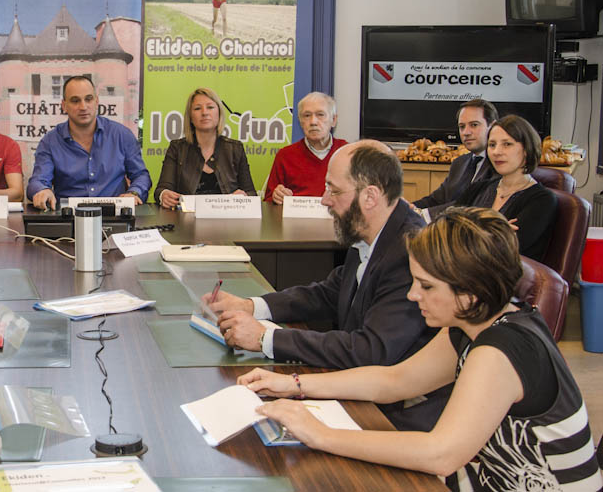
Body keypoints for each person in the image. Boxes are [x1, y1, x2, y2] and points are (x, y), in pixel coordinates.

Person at [238, 207, 602, 491]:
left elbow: (440, 454)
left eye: (426, 287)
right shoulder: (474, 321)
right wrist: (295, 384)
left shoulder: (501, 350)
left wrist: (320, 434)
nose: (413, 295)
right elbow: (396, 380)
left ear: (469, 291)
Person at [207, 141, 445, 431]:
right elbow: (330, 292)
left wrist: (265, 339)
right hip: (361, 392)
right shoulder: (370, 230)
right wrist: (253, 306)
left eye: (334, 190)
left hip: (393, 414)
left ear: (370, 196)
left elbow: (370, 350)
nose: (324, 200)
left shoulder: (409, 252)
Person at [27, 75, 151, 210]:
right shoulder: (50, 141)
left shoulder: (121, 135)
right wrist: (42, 190)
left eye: (88, 99)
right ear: (64, 106)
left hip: (115, 216)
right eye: (75, 101)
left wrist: (133, 193)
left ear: (96, 101)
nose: (83, 106)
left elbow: (141, 175)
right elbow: (38, 181)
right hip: (68, 219)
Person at [452, 114, 557, 262]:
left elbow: (503, 249)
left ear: (526, 149)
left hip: (502, 280)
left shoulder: (542, 200)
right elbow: (445, 227)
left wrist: (466, 225)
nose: (496, 152)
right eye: (492, 144)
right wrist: (490, 227)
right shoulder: (478, 188)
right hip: (458, 269)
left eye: (507, 144)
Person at [154, 87, 256, 207]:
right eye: (197, 108)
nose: (204, 112)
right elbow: (161, 189)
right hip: (186, 221)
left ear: (219, 113)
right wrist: (164, 195)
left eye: (210, 107)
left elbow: (251, 193)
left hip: (227, 220)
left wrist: (244, 197)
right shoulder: (177, 148)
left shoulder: (235, 148)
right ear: (190, 117)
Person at [413, 98, 498, 216]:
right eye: (462, 126)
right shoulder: (459, 163)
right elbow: (436, 199)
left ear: (492, 126)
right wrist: (409, 208)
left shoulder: (499, 163)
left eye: (474, 125)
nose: (466, 132)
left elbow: (472, 205)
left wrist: (424, 214)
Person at [264, 92, 347, 202]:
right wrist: (276, 196)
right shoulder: (285, 156)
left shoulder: (347, 153)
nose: (313, 122)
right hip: (296, 218)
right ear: (301, 122)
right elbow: (269, 201)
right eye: (307, 116)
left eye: (320, 115)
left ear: (334, 120)